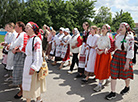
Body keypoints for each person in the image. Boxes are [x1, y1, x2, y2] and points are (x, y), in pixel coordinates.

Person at [105, 22, 134, 100]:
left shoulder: (130, 37)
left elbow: (130, 50)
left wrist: (127, 62)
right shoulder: (117, 36)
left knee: (126, 74)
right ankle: (113, 92)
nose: (120, 28)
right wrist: (107, 50)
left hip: (125, 57)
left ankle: (127, 87)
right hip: (117, 55)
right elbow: (113, 46)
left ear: (126, 28)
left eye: (122, 27)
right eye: (119, 26)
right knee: (113, 73)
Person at [22, 22, 46, 102]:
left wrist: (34, 66)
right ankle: (39, 99)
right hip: (28, 62)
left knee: (31, 84)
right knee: (33, 83)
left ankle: (28, 100)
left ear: (33, 29)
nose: (25, 29)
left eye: (27, 28)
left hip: (32, 63)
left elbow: (38, 54)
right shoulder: (30, 39)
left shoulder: (36, 40)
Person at [7, 21, 28, 99]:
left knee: (19, 74)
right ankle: (22, 90)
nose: (15, 28)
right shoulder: (19, 35)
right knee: (18, 74)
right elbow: (15, 44)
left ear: (20, 27)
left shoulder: (23, 35)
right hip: (17, 56)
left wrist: (16, 50)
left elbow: (24, 46)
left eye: (16, 26)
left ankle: (22, 91)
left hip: (20, 57)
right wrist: (11, 46)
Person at [93, 24, 114, 91]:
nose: (102, 29)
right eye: (102, 28)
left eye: (104, 28)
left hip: (105, 55)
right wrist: (97, 49)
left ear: (107, 30)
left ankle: (99, 85)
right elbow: (96, 44)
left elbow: (111, 47)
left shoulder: (109, 37)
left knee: (102, 69)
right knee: (99, 68)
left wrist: (105, 50)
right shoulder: (100, 37)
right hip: (99, 55)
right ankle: (106, 79)